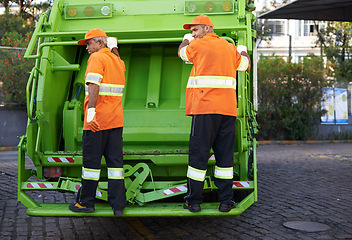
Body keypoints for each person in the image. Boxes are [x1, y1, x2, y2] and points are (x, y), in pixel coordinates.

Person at [178, 15, 251, 213]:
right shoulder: (228, 48)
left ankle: (193, 201)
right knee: (224, 158)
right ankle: (226, 201)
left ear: (207, 29)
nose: (193, 34)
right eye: (191, 32)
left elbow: (182, 54)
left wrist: (186, 39)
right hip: (227, 112)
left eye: (195, 30)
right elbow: (244, 65)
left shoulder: (198, 45)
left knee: (198, 157)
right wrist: (242, 50)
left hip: (204, 110)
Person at [69, 29, 126, 216]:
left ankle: (86, 203)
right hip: (115, 121)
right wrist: (114, 47)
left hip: (97, 121)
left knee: (91, 165)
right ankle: (118, 205)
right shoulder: (117, 61)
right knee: (115, 166)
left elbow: (94, 85)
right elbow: (118, 61)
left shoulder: (96, 58)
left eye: (89, 43)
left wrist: (91, 113)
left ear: (100, 43)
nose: (87, 48)